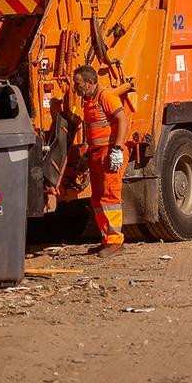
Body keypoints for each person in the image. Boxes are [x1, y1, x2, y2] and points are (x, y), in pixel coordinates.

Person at [72, 65, 129, 258]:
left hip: (109, 152)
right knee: (97, 199)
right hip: (97, 154)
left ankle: (115, 241)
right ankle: (107, 239)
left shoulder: (106, 96)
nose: (75, 88)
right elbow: (94, 131)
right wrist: (87, 157)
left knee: (110, 197)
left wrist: (118, 149)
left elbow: (122, 119)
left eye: (78, 84)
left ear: (89, 83)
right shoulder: (89, 100)